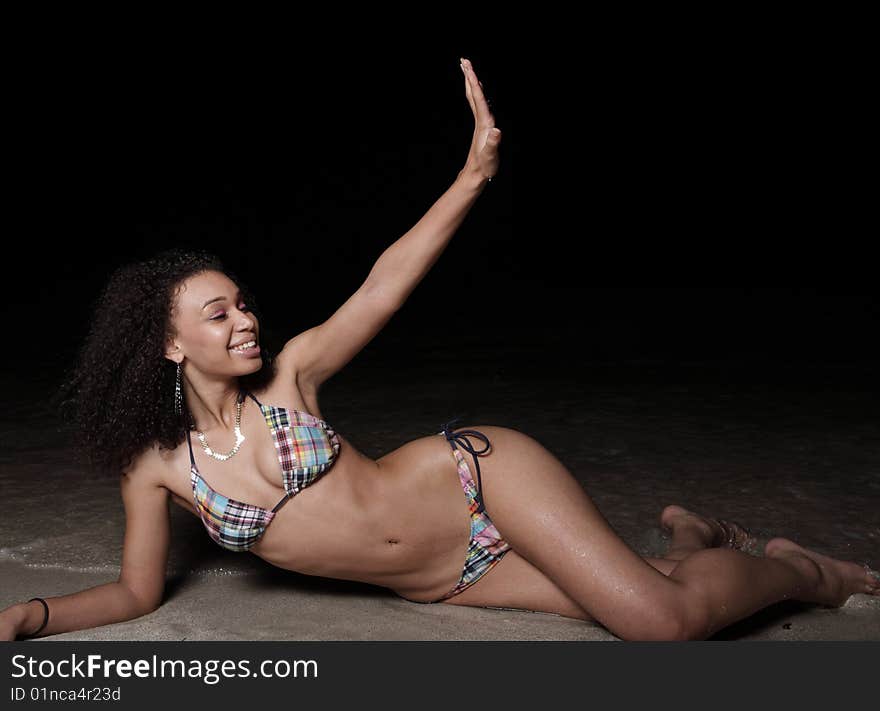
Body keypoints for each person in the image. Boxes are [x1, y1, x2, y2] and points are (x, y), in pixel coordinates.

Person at [2, 57, 878, 643]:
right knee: (645, 583)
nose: (244, 321)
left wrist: (471, 177)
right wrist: (30, 617)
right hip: (447, 577)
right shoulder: (157, 469)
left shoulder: (293, 372)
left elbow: (382, 284)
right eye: (216, 312)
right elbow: (135, 593)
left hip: (476, 480)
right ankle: (691, 529)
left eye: (243, 302)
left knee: (660, 619)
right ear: (164, 342)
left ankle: (802, 571)